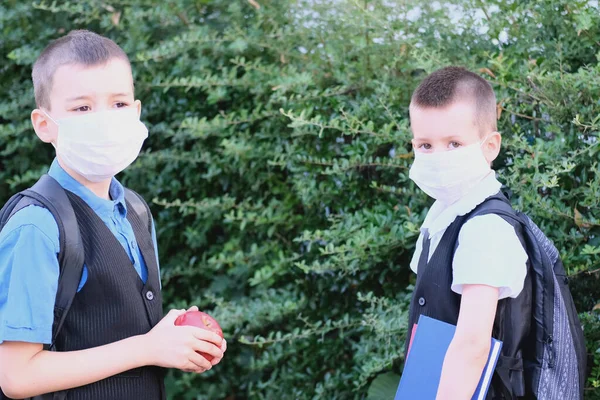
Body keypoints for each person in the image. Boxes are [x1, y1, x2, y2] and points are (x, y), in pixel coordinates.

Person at [0, 30, 226, 400]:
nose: (103, 120)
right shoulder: (36, 226)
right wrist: (147, 348)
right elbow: (16, 376)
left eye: (118, 104)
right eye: (82, 108)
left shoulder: (135, 209)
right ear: (44, 125)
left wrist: (176, 340)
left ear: (136, 113)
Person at [406, 66, 529, 399]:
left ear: (490, 146)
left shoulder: (485, 229)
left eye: (454, 143)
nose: (438, 157)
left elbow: (472, 344)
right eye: (425, 145)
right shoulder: (443, 215)